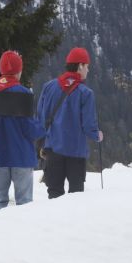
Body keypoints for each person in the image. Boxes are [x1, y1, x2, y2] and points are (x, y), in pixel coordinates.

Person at [37, 47, 103, 198]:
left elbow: (40, 117)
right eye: (87, 66)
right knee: (76, 196)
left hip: (53, 149)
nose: (88, 70)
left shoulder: (48, 87)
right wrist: (97, 135)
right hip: (76, 151)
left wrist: (41, 143)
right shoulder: (86, 93)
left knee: (54, 193)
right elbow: (88, 126)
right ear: (80, 66)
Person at [0, 51, 46, 210]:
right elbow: (29, 129)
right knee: (24, 203)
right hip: (21, 156)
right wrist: (42, 127)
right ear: (19, 70)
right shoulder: (24, 94)